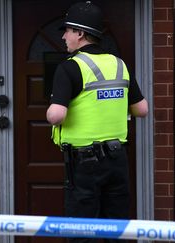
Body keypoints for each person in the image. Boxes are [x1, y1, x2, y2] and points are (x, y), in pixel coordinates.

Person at [46, 1, 148, 242]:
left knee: (82, 231)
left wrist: (51, 111)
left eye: (68, 30)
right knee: (116, 229)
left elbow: (57, 115)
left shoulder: (70, 68)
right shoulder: (119, 65)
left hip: (85, 163)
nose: (64, 37)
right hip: (117, 159)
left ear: (80, 33)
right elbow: (142, 109)